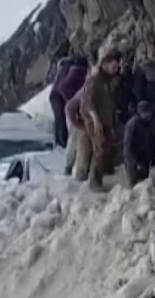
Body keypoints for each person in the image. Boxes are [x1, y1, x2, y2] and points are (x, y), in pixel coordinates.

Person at [80, 48, 123, 192]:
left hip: (105, 120)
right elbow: (88, 101)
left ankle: (101, 174)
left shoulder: (107, 80)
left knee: (107, 147)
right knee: (100, 148)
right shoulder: (95, 79)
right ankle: (94, 180)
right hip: (94, 120)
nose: (115, 68)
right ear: (105, 64)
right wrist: (95, 119)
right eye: (113, 66)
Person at [50, 55, 88, 149]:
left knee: (59, 121)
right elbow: (64, 87)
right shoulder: (78, 70)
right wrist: (70, 101)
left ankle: (59, 144)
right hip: (58, 97)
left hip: (55, 95)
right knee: (62, 120)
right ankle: (63, 145)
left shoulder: (70, 68)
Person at [123, 101, 155, 187]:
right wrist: (135, 163)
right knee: (134, 185)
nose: (147, 115)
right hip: (133, 159)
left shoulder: (152, 123)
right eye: (145, 113)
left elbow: (153, 140)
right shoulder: (132, 125)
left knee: (144, 185)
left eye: (148, 113)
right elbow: (127, 148)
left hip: (145, 159)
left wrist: (153, 157)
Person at [65, 88, 90, 179]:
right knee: (75, 140)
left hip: (84, 119)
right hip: (76, 119)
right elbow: (69, 107)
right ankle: (69, 168)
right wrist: (76, 124)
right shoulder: (87, 90)